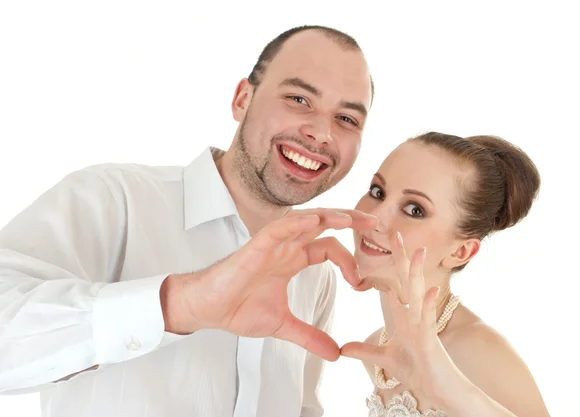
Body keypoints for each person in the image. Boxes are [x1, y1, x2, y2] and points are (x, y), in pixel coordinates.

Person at [0, 25, 376, 417]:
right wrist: (177, 306)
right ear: (242, 99)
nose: (321, 133)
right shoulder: (113, 199)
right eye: (298, 98)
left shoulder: (316, 274)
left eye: (347, 119)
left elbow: (301, 407)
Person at [341, 132, 551, 416]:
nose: (374, 218)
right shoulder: (375, 349)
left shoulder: (481, 353)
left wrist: (452, 388)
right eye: (378, 191)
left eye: (414, 209)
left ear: (461, 252)